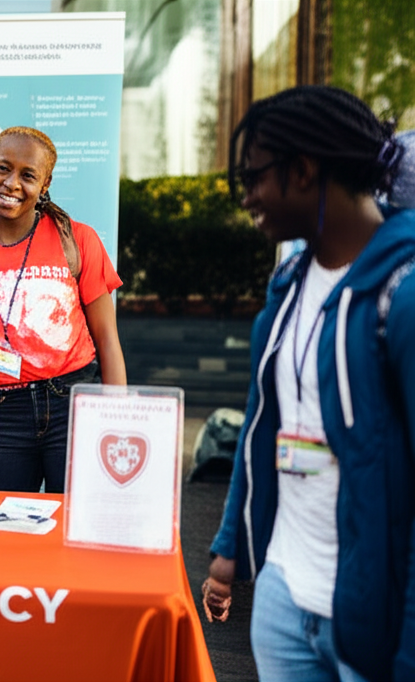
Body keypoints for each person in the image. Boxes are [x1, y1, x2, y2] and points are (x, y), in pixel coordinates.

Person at [202, 86, 415, 682]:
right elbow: (262, 422)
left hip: (373, 618)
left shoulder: (402, 293)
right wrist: (230, 551)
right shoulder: (290, 284)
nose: (246, 197)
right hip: (283, 596)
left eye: (254, 178)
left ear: (303, 170)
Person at [0, 126, 126, 494]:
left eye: (27, 175)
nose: (12, 183)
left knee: (74, 528)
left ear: (44, 184)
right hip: (7, 411)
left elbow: (108, 341)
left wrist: (118, 429)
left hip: (74, 405)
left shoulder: (77, 240)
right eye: (3, 168)